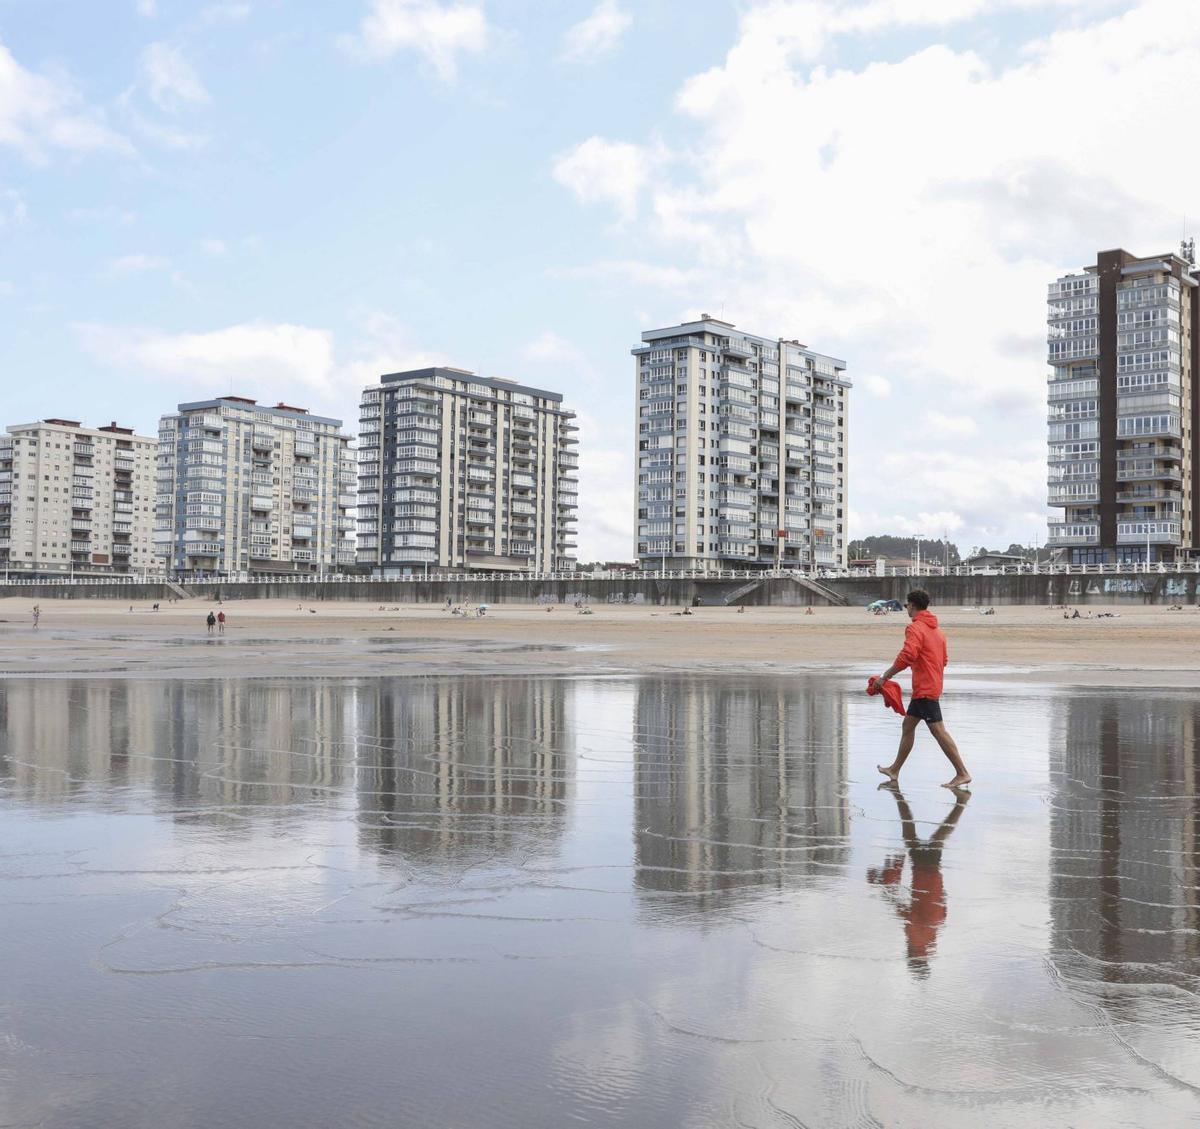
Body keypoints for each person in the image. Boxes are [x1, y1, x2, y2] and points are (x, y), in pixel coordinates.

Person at [869, 784, 970, 979]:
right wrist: (890, 898)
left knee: (937, 838)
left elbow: (942, 911)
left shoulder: (932, 936)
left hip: (933, 877)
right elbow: (909, 915)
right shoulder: (918, 937)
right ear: (914, 956)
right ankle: (903, 799)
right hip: (923, 873)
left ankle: (960, 805)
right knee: (911, 834)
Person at [875, 588, 971, 789]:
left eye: (906, 605)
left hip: (926, 688)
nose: (906, 609)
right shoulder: (938, 631)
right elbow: (943, 660)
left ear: (912, 605)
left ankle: (962, 772)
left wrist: (886, 676)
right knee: (908, 727)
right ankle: (894, 769)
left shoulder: (915, 628)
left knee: (938, 730)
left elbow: (907, 656)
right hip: (928, 686)